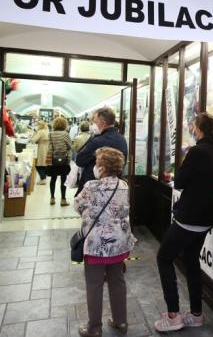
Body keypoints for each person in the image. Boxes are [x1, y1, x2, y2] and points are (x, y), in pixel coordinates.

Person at [154, 112, 213, 332]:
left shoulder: (196, 152)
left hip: (189, 218)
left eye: (193, 126)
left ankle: (173, 315)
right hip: (206, 218)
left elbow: (180, 182)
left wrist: (185, 162)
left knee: (164, 257)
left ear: (199, 129)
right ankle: (196, 313)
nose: (191, 129)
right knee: (193, 261)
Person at [74, 147, 136, 337]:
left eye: (97, 163)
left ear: (102, 167)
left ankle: (94, 328)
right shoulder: (124, 186)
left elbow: (78, 205)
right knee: (117, 281)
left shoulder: (91, 186)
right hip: (119, 243)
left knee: (94, 284)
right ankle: (121, 321)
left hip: (96, 246)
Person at [75, 107, 128, 196]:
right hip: (115, 187)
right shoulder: (121, 139)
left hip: (95, 188)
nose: (92, 125)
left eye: (95, 122)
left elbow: (80, 161)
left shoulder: (98, 141)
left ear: (103, 123)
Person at [48, 116, 72, 206]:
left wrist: (49, 162)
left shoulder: (50, 134)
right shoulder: (65, 134)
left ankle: (52, 198)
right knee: (63, 180)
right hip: (64, 160)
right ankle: (63, 199)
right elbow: (70, 146)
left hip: (53, 160)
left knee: (53, 179)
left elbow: (49, 148)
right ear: (64, 124)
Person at [32, 121, 49, 185]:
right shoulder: (47, 131)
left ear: (40, 125)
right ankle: (43, 178)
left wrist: (34, 131)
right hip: (47, 148)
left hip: (41, 148)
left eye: (37, 125)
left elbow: (33, 140)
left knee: (38, 164)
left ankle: (43, 179)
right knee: (44, 164)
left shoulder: (40, 132)